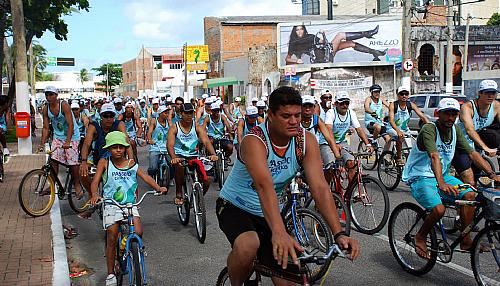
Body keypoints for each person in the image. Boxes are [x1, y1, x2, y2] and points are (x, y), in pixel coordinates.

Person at [217, 86, 359, 286]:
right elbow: (264, 186)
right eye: (286, 116)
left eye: (297, 115)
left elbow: (319, 187)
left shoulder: (305, 140)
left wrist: (339, 233)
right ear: (270, 115)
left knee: (290, 280)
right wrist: (279, 232)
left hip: (269, 211)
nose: (294, 122)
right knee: (249, 245)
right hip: (235, 206)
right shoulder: (254, 141)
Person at [402, 98, 500, 259]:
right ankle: (420, 236)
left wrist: (491, 174)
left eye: (454, 114)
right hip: (420, 177)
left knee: (470, 195)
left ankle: (466, 240)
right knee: (438, 209)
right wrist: (440, 182)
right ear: (438, 114)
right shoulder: (429, 129)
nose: (450, 118)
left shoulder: (455, 130)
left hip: (443, 176)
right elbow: (434, 156)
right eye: (446, 114)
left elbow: (472, 153)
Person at [88, 131, 168, 286]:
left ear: (125, 148)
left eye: (121, 147)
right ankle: (111, 273)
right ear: (108, 148)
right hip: (111, 204)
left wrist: (159, 187)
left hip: (130, 205)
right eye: (114, 147)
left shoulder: (131, 163)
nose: (118, 150)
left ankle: (128, 248)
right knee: (111, 235)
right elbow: (95, 181)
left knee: (138, 231)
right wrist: (94, 194)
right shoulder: (105, 163)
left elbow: (145, 177)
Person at [167, 103, 218, 205]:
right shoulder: (174, 127)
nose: (189, 115)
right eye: (186, 113)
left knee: (207, 181)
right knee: (179, 166)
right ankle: (179, 193)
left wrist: (213, 154)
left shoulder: (197, 127)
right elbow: (170, 145)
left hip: (194, 156)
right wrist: (173, 157)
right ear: (181, 114)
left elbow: (206, 141)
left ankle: (196, 198)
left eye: (191, 113)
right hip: (179, 156)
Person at [38, 86, 82, 197]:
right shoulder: (45, 109)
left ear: (56, 95)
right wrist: (41, 144)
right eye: (47, 94)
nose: (49, 97)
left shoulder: (64, 105)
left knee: (72, 161)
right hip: (58, 136)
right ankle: (52, 184)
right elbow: (45, 128)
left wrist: (68, 141)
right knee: (53, 160)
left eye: (51, 94)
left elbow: (71, 124)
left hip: (72, 136)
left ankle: (77, 184)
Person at [455, 79, 500, 185]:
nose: (490, 96)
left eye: (493, 93)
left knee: (475, 177)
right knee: (469, 181)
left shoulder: (496, 106)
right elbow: (470, 131)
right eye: (487, 93)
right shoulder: (467, 107)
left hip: (476, 145)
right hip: (461, 144)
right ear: (479, 93)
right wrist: (485, 148)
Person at [325, 91, 374, 183]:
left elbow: (359, 129)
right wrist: (334, 145)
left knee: (351, 163)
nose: (344, 105)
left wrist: (368, 144)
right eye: (341, 103)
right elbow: (328, 130)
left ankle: (351, 192)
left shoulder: (351, 113)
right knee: (331, 167)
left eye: (347, 103)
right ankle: (326, 189)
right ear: (336, 104)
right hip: (326, 143)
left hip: (342, 143)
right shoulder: (331, 113)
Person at [285, 24, 386, 65]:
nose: (299, 31)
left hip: (327, 52)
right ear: (294, 31)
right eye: (297, 30)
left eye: (301, 29)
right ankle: (367, 34)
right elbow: (287, 58)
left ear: (304, 30)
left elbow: (324, 42)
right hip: (321, 58)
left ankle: (375, 53)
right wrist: (296, 60)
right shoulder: (294, 43)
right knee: (340, 35)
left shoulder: (310, 36)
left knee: (351, 43)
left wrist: (323, 34)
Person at [388, 86, 429, 166]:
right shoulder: (393, 105)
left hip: (405, 130)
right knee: (399, 136)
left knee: (410, 150)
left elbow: (422, 116)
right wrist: (398, 131)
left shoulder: (411, 105)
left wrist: (430, 125)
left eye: (406, 94)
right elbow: (391, 120)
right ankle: (398, 158)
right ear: (398, 95)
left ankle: (408, 167)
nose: (404, 96)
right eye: (402, 94)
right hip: (392, 128)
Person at [301, 95, 341, 163]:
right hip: (298, 151)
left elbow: (329, 139)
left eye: (310, 106)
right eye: (305, 106)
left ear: (314, 107)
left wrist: (338, 156)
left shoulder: (317, 120)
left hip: (313, 151)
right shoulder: (296, 120)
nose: (307, 109)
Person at [147, 105, 171, 180]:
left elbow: (172, 131)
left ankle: (171, 178)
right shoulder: (154, 121)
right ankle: (152, 177)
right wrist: (150, 140)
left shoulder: (168, 122)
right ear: (160, 114)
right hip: (156, 146)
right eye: (165, 113)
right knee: (153, 168)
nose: (167, 115)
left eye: (167, 113)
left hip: (167, 147)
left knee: (172, 164)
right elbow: (149, 133)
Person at [0, 95, 10, 165]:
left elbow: (7, 118)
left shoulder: (6, 109)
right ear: (5, 103)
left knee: (1, 133)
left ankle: (5, 148)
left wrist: (8, 128)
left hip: (2, 123)